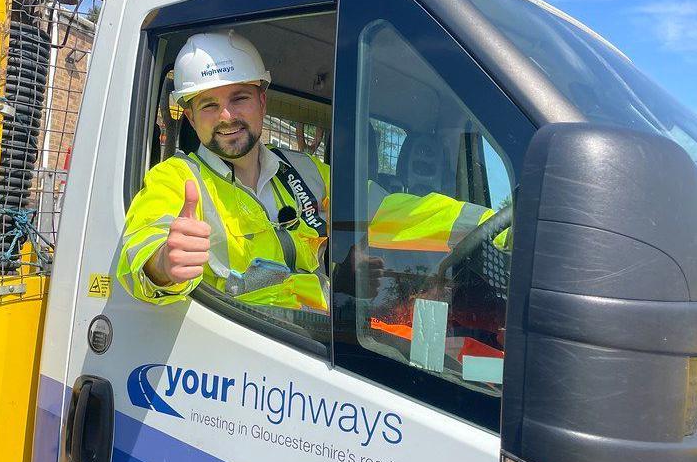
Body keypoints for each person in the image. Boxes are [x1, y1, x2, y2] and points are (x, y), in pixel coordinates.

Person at [116, 29, 506, 313]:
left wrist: (495, 227)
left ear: (262, 101)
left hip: (316, 346)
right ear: (190, 117)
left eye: (239, 98)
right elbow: (137, 253)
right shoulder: (176, 179)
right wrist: (163, 265)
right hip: (239, 361)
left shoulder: (304, 171)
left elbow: (392, 212)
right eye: (209, 105)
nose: (227, 116)